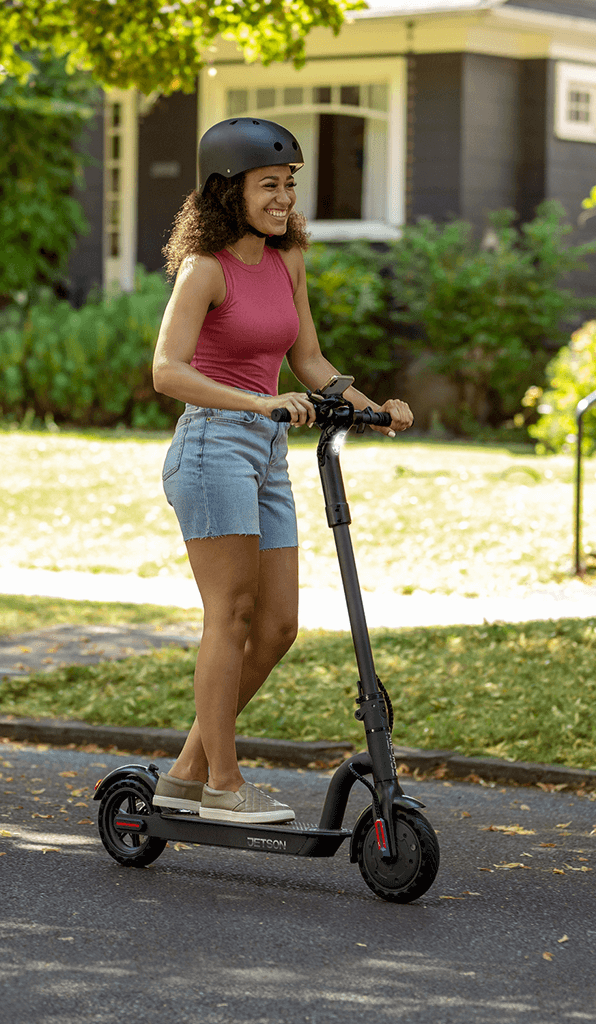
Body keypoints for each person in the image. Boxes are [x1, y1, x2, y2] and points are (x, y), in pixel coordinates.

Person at [151, 116, 414, 824]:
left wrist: (370, 406)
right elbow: (167, 371)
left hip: (267, 449)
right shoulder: (205, 270)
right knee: (230, 616)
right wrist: (258, 403)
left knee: (277, 627)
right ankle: (223, 785)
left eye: (289, 185)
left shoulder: (286, 259)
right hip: (213, 447)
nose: (283, 199)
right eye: (270, 185)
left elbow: (311, 361)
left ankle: (184, 772)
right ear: (227, 190)